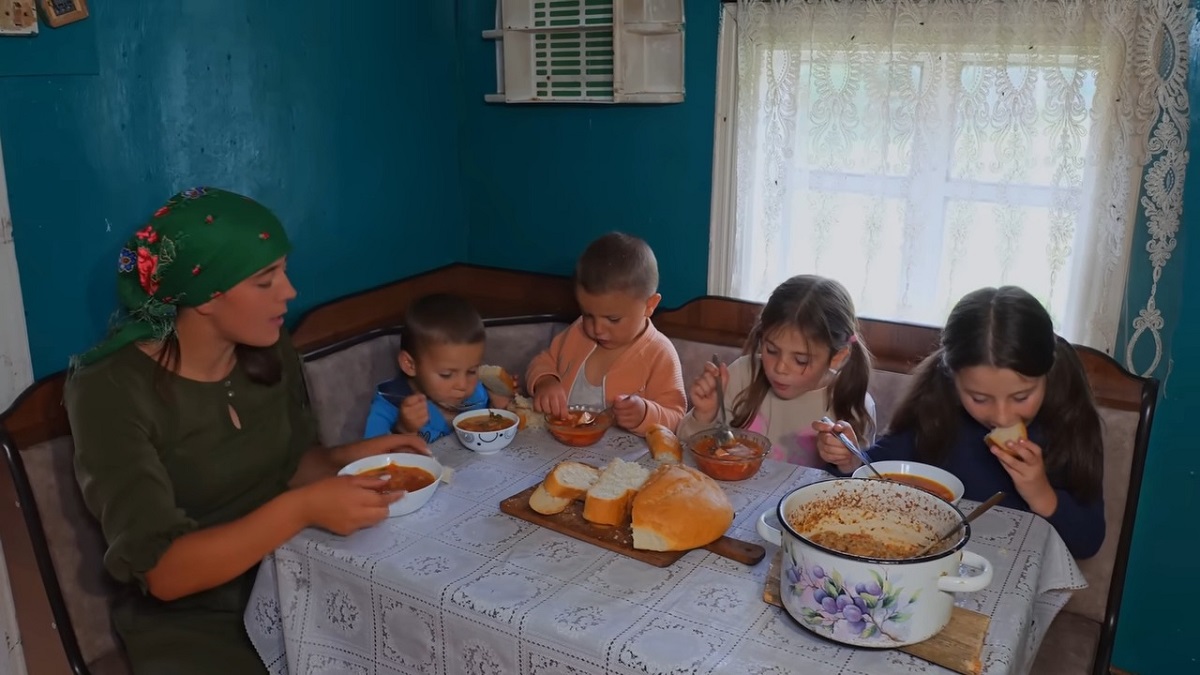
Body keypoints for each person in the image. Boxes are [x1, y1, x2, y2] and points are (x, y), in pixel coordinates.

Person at [65, 188, 429, 674]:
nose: (290, 292)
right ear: (206, 295)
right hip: (197, 625)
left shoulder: (266, 351)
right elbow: (164, 571)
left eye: (283, 271)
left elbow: (292, 467)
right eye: (266, 281)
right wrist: (303, 508)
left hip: (296, 579)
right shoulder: (108, 391)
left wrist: (359, 455)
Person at [815, 286, 1105, 559]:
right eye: (979, 398)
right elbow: (880, 469)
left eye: (1021, 397)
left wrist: (1041, 494)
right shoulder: (938, 405)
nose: (1002, 417)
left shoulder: (1069, 416)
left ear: (1047, 375)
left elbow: (1088, 541)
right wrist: (849, 459)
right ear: (953, 380)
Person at [678, 275, 875, 467]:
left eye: (800, 360)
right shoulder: (742, 375)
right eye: (771, 350)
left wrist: (849, 461)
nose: (779, 368)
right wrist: (704, 415)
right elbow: (684, 448)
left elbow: (863, 486)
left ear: (837, 356)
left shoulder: (854, 405)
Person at [526, 232, 686, 436]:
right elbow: (543, 361)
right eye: (588, 314)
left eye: (613, 319)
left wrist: (646, 414)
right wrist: (545, 381)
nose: (597, 329)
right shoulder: (578, 332)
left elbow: (677, 417)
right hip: (559, 450)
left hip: (623, 463)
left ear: (649, 305)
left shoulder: (660, 353)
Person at [364, 293, 512, 442]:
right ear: (410, 364)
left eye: (472, 371)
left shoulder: (477, 394)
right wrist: (404, 430)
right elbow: (373, 458)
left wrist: (499, 404)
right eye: (446, 374)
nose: (462, 385)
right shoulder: (390, 403)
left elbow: (494, 417)